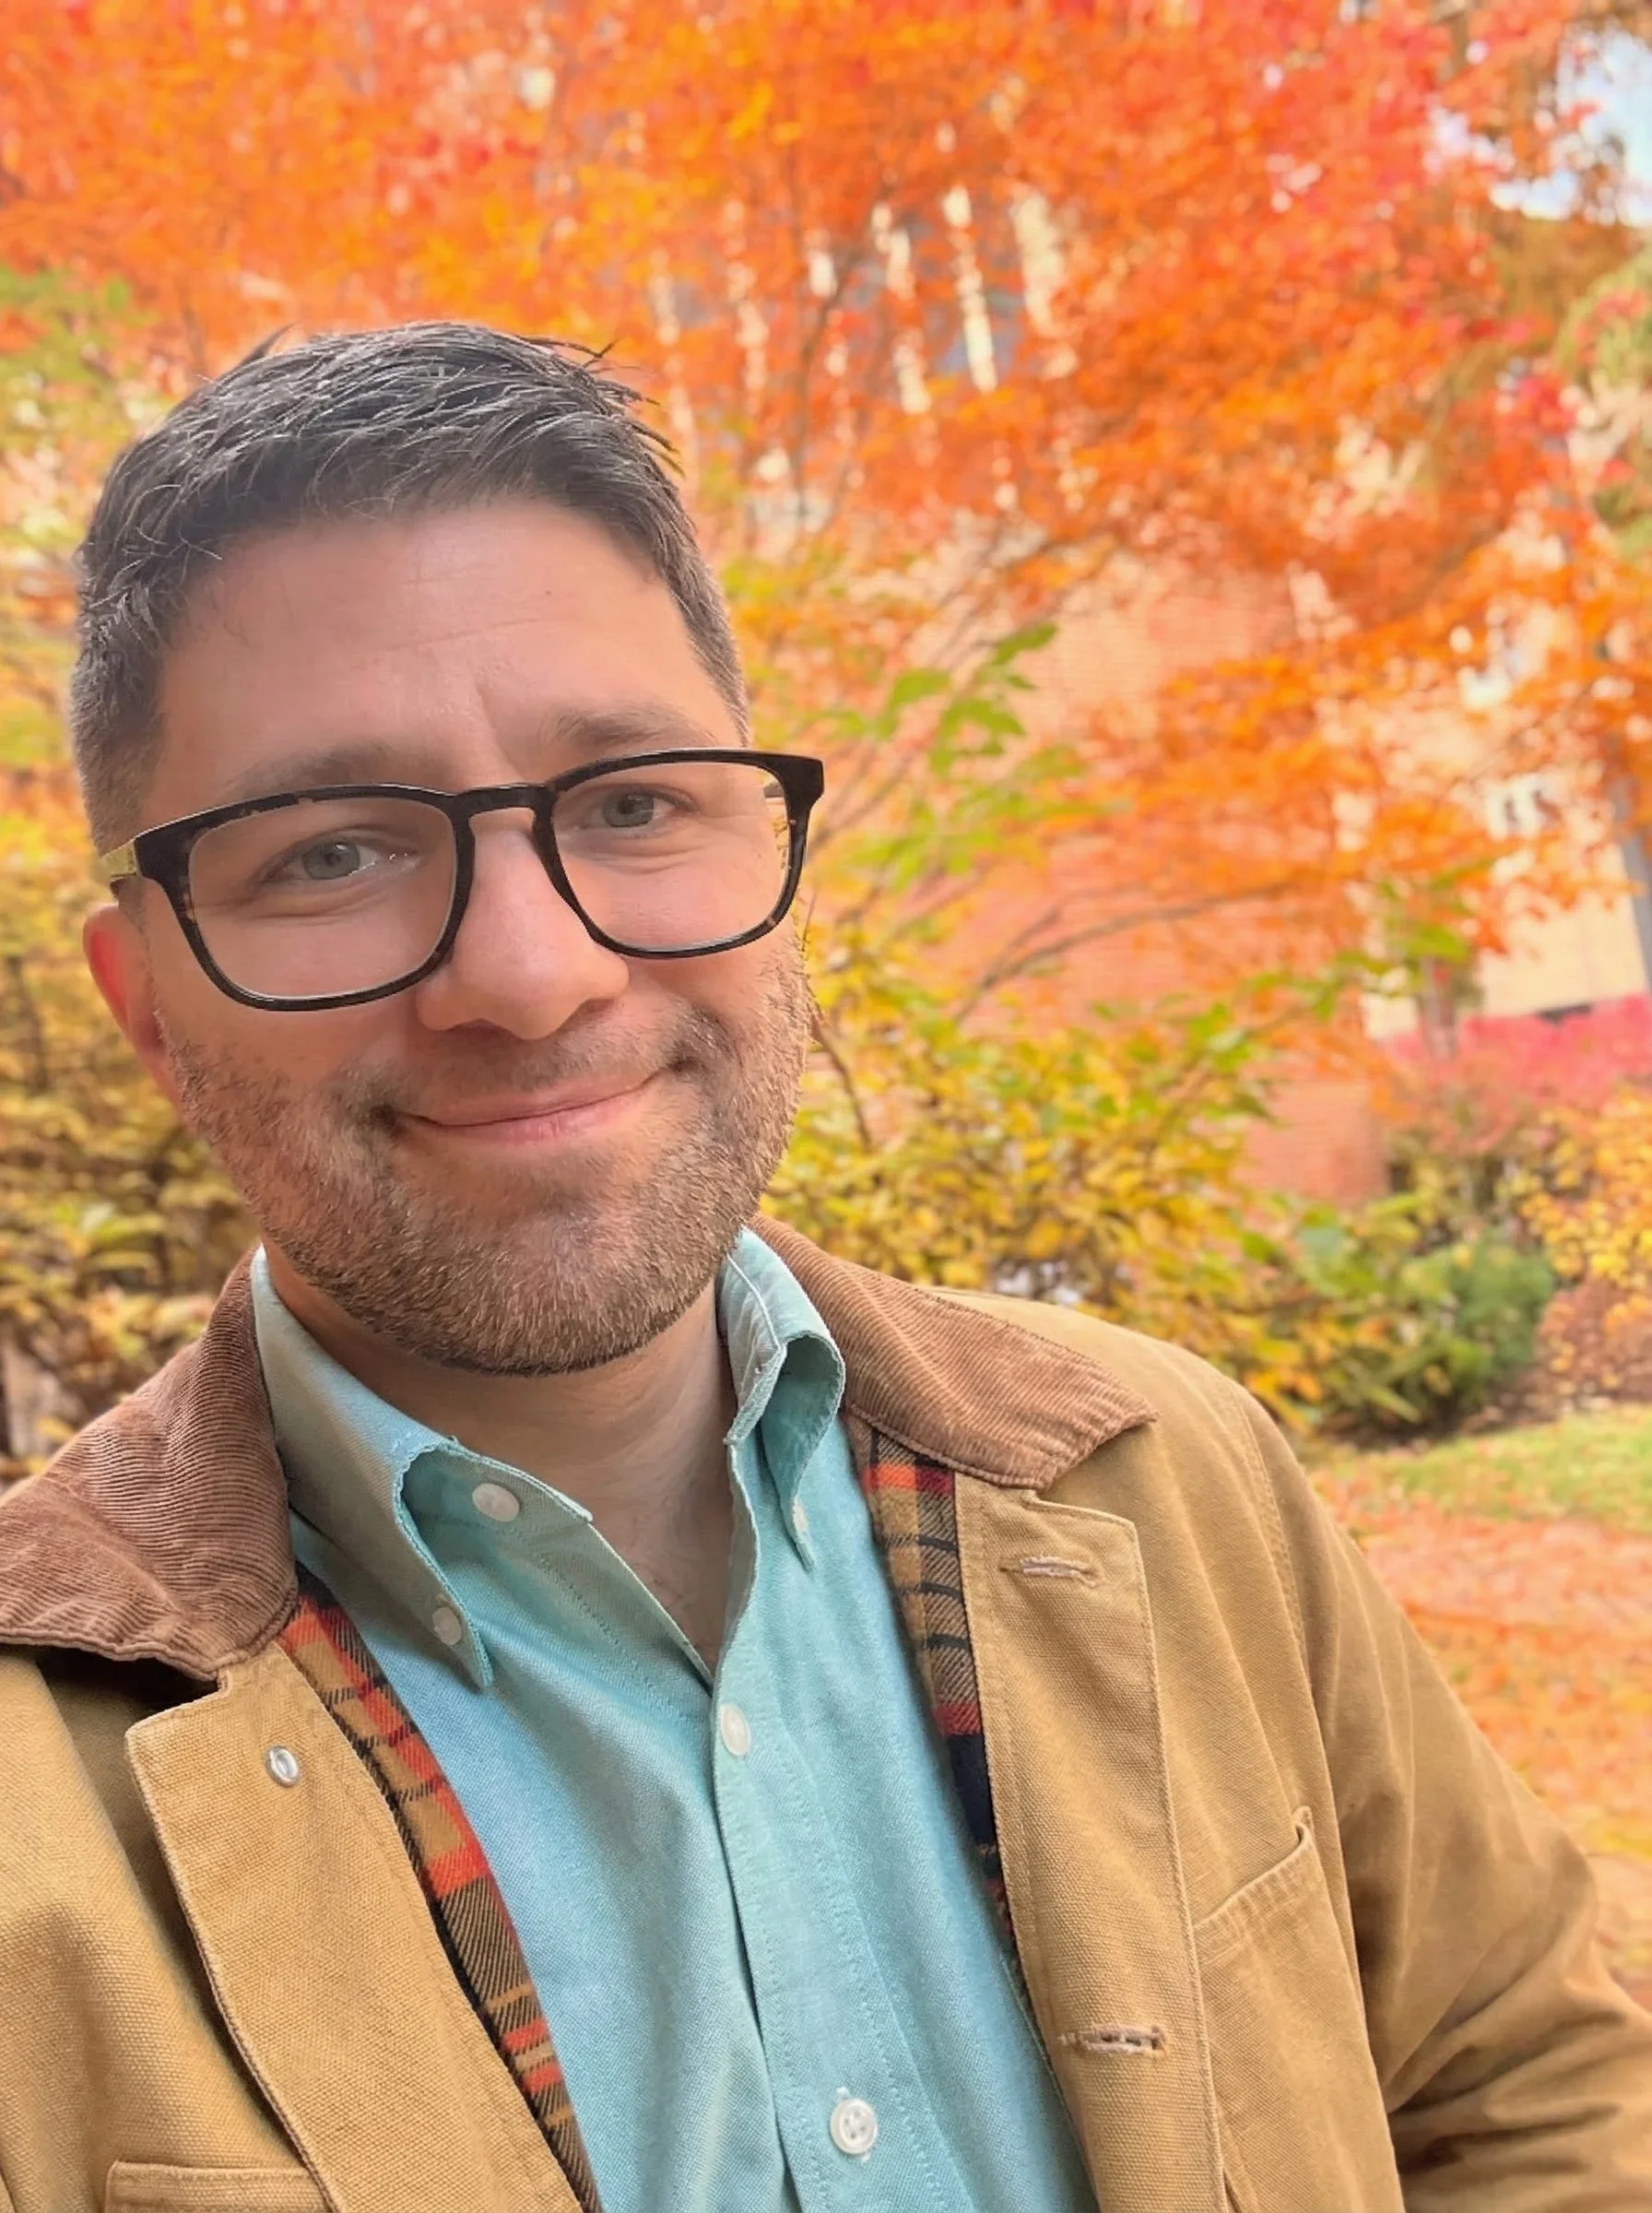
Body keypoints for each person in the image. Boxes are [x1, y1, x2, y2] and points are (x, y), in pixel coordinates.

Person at [1, 323, 1646, 2213]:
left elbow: (1518, 2076)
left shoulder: (1170, 1481)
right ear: (145, 998)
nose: (531, 976)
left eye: (628, 806)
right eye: (334, 853)